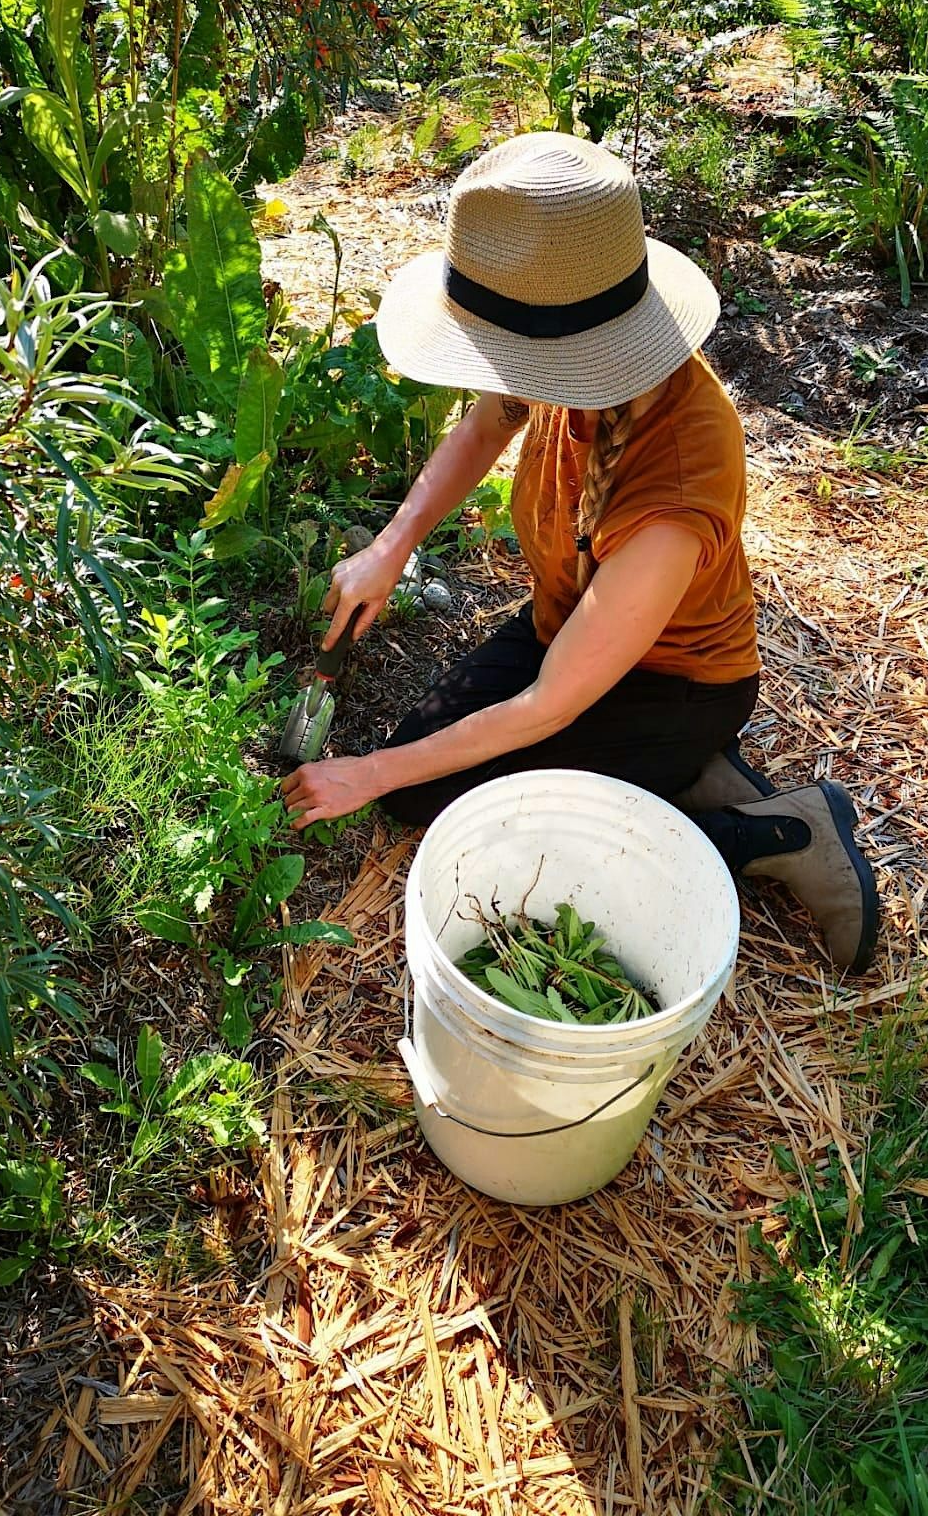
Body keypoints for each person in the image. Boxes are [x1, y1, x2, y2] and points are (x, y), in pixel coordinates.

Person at [282, 133, 879, 974]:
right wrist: (393, 544)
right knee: (422, 790)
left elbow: (546, 705)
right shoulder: (576, 357)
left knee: (511, 829)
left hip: (676, 681)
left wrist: (366, 772)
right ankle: (671, 773)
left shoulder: (672, 490)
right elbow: (493, 419)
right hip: (572, 627)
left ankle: (778, 830)